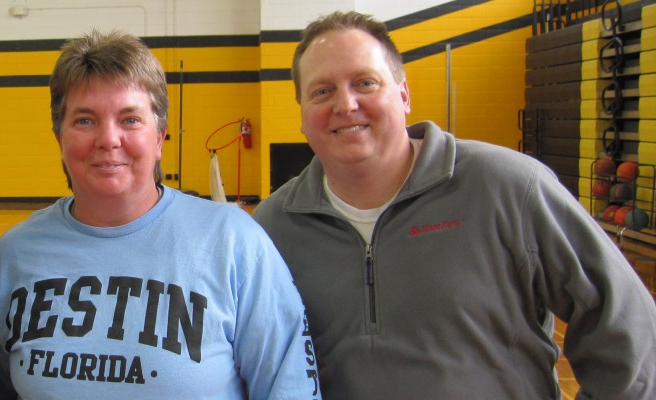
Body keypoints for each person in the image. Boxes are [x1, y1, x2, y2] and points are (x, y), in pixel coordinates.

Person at [252, 10, 656, 399]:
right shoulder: (273, 227)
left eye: (365, 83)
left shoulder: (509, 187)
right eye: (322, 91)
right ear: (302, 114)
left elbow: (625, 324)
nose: (345, 105)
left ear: (404, 95)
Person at [0, 30, 320, 400]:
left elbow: (289, 388)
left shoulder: (234, 242)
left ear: (159, 138)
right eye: (84, 120)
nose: (108, 139)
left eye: (130, 119)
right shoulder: (14, 256)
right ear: (59, 138)